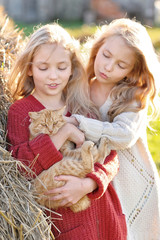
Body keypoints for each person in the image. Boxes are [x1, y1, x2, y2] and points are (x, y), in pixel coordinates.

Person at [6, 23, 127, 240]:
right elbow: (20, 167)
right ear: (30, 68)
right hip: (70, 224)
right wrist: (61, 134)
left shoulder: (82, 107)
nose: (53, 76)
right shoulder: (21, 111)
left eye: (61, 68)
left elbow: (111, 156)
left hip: (105, 215)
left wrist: (88, 184)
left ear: (72, 69)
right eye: (44, 68)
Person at [67, 18, 160, 239]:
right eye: (106, 55)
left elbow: (123, 135)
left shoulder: (132, 98)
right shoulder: (79, 87)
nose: (108, 67)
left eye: (121, 65)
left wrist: (79, 124)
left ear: (132, 71)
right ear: (97, 48)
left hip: (132, 185)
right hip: (99, 181)